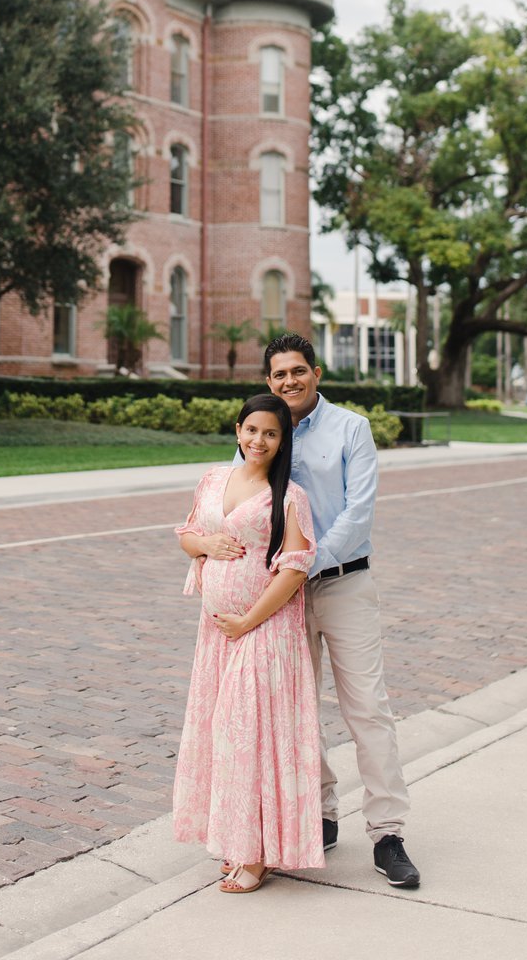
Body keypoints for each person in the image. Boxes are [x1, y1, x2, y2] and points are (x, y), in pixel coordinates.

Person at [263, 332, 421, 890]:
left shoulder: (351, 427)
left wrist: (307, 563)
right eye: (280, 374)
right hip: (284, 596)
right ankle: (321, 814)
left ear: (316, 372)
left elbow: (359, 511)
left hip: (344, 583)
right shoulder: (264, 432)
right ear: (269, 381)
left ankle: (387, 833)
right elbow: (247, 500)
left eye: (298, 371)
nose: (290, 382)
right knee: (298, 711)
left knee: (367, 710)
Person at [173, 392, 324, 893]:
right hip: (217, 634)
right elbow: (187, 534)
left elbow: (294, 570)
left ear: (283, 442)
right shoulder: (214, 480)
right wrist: (207, 545)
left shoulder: (289, 497)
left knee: (248, 738)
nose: (259, 440)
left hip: (263, 630)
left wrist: (249, 621)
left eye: (271, 433)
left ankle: (256, 854)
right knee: (223, 736)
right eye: (252, 430)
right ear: (237, 430)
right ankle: (235, 840)